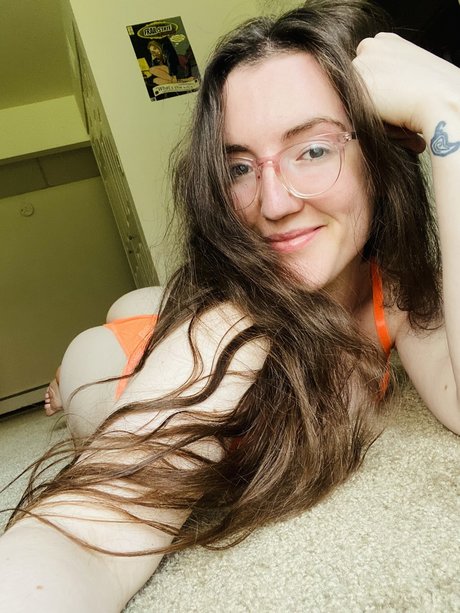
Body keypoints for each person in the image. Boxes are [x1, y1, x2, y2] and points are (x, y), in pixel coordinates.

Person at [1, 0, 460, 610]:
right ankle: (80, 365)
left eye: (313, 150)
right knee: (100, 364)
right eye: (239, 166)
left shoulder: (392, 288)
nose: (272, 204)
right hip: (120, 363)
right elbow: (88, 530)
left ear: (380, 154)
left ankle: (151, 308)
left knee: (155, 302)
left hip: (180, 318)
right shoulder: (227, 331)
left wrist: (447, 112)